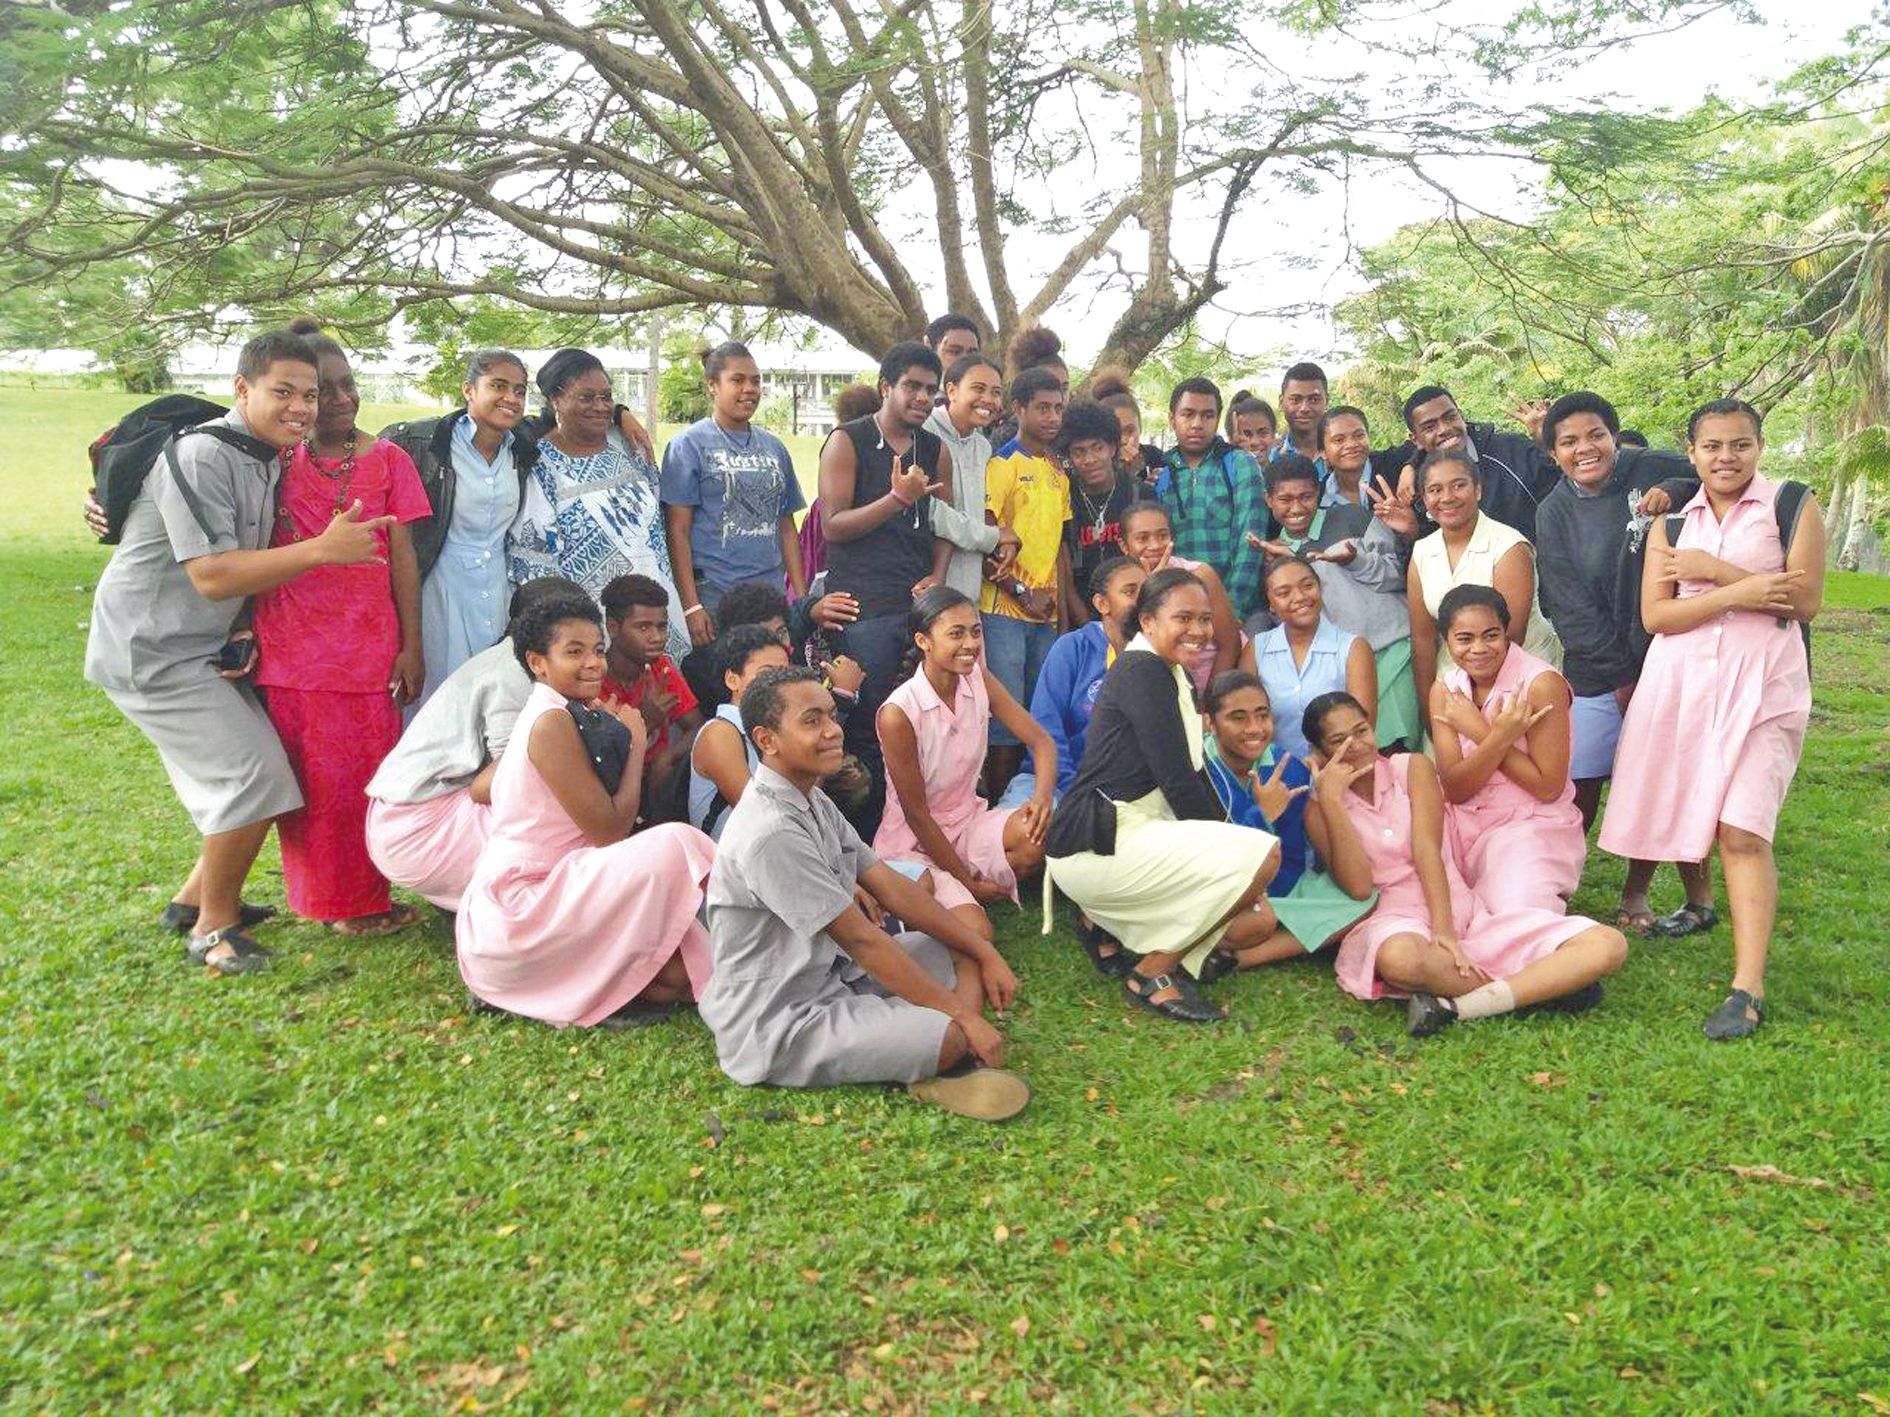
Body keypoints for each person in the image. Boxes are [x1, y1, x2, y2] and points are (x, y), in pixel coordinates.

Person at [84, 327, 395, 974]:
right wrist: (323, 550)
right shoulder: (203, 455)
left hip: (198, 649)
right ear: (242, 388)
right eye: (284, 392)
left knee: (267, 769)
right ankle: (212, 928)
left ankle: (190, 900)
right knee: (251, 776)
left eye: (309, 395)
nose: (302, 408)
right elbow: (212, 575)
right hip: (150, 650)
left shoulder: (265, 452)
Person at [700, 666, 1029, 1120]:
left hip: (837, 976)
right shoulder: (769, 831)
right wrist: (966, 1017)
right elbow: (861, 939)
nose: (834, 730)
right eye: (812, 721)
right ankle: (948, 1045)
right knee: (950, 1033)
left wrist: (984, 953)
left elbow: (890, 885)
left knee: (965, 945)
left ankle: (943, 1043)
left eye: (831, 716)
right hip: (785, 1019)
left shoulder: (812, 798)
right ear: (766, 739)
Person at [1600, 399, 1824, 1040]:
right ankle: (1699, 911)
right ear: (1692, 451)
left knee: (1743, 831)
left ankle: (1746, 988)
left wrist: (1714, 575)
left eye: (1740, 444)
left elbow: (1802, 600)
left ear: (1759, 446)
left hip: (1765, 690)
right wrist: (1748, 589)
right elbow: (1656, 617)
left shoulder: (1793, 504)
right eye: (1713, 446)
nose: (1726, 458)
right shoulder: (1672, 515)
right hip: (1683, 687)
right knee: (1689, 813)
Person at [457, 587, 716, 1027]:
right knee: (679, 842)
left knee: (679, 978)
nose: (594, 662)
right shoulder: (550, 720)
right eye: (574, 652)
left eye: (597, 650)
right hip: (520, 911)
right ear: (538, 663)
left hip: (557, 897)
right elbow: (610, 833)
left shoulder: (571, 709)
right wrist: (637, 744)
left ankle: (566, 985)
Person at [1305, 693, 1628, 1037]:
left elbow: (1427, 849)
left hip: (1460, 909)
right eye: (1339, 740)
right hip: (1395, 920)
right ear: (1320, 753)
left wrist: (1445, 931)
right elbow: (1358, 887)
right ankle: (1548, 988)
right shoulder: (1318, 811)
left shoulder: (1411, 767)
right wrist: (1332, 802)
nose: (1356, 745)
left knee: (1608, 944)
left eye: (1361, 731)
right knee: (1400, 959)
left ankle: (1459, 1006)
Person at [250, 321, 429, 935]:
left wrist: (412, 644)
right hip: (292, 648)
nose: (342, 400)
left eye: (349, 385)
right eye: (325, 389)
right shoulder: (270, 457)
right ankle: (331, 904)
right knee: (310, 785)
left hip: (369, 650)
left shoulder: (389, 459)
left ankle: (359, 897)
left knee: (361, 781)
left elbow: (403, 555)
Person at [1043, 569, 1283, 1023]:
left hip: (1130, 832)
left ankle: (1102, 923)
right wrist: (1239, 859)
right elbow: (1179, 782)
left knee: (1257, 921)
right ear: (1148, 622)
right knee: (1264, 857)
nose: (1199, 631)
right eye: (1184, 618)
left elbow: (1194, 774)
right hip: (1097, 841)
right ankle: (1152, 973)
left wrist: (1232, 857)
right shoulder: (1143, 672)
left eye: (1205, 619)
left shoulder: (1171, 671)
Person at [1536, 390, 1713, 936]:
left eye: (1595, 435)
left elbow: (1710, 475)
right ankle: (1551, 885)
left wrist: (1675, 489)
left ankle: (1660, 893)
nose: (1585, 448)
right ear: (1554, 454)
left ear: (1615, 436)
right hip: (1597, 668)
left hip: (1670, 654)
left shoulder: (1648, 466)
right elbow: (1567, 605)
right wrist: (1622, 677)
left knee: (1666, 777)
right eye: (1569, 442)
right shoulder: (1554, 512)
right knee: (1579, 782)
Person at [365, 576, 583, 911]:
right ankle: (510, 909)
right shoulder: (513, 675)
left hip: (416, 818)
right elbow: (513, 782)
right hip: (416, 830)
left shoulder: (516, 661)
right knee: (560, 813)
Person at [817, 341, 954, 830]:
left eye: (929, 390)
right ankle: (859, 839)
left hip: (918, 607)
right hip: (863, 609)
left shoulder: (934, 449)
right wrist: (897, 497)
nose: (921, 397)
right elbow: (832, 525)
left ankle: (909, 833)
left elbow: (944, 524)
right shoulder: (847, 440)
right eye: (911, 387)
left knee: (918, 723)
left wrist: (938, 575)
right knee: (864, 725)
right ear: (886, 388)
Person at [875, 587, 1055, 935]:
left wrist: (1042, 802)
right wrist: (966, 885)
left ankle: (954, 891)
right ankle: (938, 893)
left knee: (1035, 835)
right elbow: (916, 815)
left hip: (968, 822)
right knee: (979, 934)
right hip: (913, 842)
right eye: (956, 634)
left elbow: (1041, 741)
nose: (971, 644)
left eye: (976, 631)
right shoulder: (899, 713)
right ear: (924, 641)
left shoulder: (976, 678)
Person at [379, 348, 537, 707]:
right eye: (498, 386)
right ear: (469, 390)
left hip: (497, 590)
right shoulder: (423, 443)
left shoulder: (522, 447)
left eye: (520, 390)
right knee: (438, 698)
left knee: (491, 697)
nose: (511, 398)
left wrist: (621, 414)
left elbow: (567, 411)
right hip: (439, 587)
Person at [508, 348, 687, 659]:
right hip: (591, 627)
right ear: (555, 399)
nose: (601, 407)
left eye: (606, 398)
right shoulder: (541, 465)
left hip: (659, 617)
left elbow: (658, 526)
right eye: (587, 397)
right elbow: (534, 559)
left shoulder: (631, 449)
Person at [1200, 672, 1375, 971]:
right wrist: (1263, 814)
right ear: (1210, 723)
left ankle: (1236, 959)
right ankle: (1227, 939)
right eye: (1238, 718)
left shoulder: (1288, 767)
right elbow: (1206, 858)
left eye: (1262, 715)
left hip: (1276, 893)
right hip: (1214, 891)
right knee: (1250, 919)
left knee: (1365, 902)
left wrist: (1326, 797)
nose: (1254, 729)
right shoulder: (1194, 767)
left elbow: (1298, 861)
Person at [1429, 586, 1586, 915]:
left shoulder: (1541, 684)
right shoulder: (1445, 690)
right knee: (1431, 911)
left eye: (1491, 635)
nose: (1479, 649)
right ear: (1446, 640)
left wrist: (1480, 731)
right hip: (1462, 823)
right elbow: (1455, 789)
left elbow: (1547, 787)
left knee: (1519, 917)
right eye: (1464, 639)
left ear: (1507, 633)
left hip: (1530, 822)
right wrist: (1501, 736)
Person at [1254, 447, 1419, 750]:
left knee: (1398, 755)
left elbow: (1398, 575)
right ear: (1268, 500)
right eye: (1285, 499)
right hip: (1342, 668)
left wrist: (1354, 560)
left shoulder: (1352, 518)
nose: (1296, 507)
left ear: (1318, 492)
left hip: (1391, 652)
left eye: (1305, 496)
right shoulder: (1274, 550)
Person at [1399, 446, 1560, 722]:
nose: (1447, 498)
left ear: (1478, 490)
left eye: (1458, 485)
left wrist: (1476, 714)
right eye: (1435, 490)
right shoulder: (1423, 551)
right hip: (1452, 683)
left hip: (1519, 679)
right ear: (1424, 499)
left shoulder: (1508, 546)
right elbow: (1423, 638)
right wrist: (1429, 709)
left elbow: (1511, 636)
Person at [660, 341, 807, 643]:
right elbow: (677, 531)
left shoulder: (774, 448)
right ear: (712, 385)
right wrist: (691, 605)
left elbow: (786, 528)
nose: (750, 389)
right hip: (715, 594)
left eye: (756, 381)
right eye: (737, 380)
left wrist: (802, 599)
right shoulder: (688, 445)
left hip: (769, 596)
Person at [981, 366, 1071, 795]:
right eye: (1042, 408)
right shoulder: (1003, 465)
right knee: (1006, 715)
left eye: (1057, 408)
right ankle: (997, 810)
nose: (1052, 417)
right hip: (1003, 610)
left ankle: (1032, 801)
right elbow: (984, 536)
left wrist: (1063, 610)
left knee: (1040, 711)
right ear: (1018, 409)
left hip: (1046, 613)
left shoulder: (1057, 470)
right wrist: (1019, 591)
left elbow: (1060, 547)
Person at [1153, 376, 1269, 621]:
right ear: (1172, 419)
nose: (1197, 423)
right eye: (1188, 414)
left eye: (1207, 415)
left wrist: (1231, 610)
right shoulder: (1161, 475)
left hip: (1237, 609)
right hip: (1177, 612)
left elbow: (1251, 541)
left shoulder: (1240, 464)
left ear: (1218, 419)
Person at [1030, 556, 1145, 797]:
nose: (1142, 601)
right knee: (1029, 829)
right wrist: (1076, 792)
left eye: (1147, 592)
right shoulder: (1072, 648)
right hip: (1053, 781)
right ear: (1102, 603)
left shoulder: (1156, 655)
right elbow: (1045, 726)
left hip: (1127, 791)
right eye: (1130, 592)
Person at [1396, 385, 1561, 542]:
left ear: (1461, 416)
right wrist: (1412, 532)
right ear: (1415, 439)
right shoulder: (1418, 486)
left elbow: (1563, 493)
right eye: (1430, 427)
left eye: (1450, 417)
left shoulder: (1512, 450)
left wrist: (1551, 445)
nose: (1444, 429)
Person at [1251, 553, 1377, 760]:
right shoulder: (1257, 648)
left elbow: (1362, 730)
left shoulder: (1353, 648)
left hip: (1342, 774)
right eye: (1284, 593)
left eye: (1307, 586)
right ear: (1270, 604)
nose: (1300, 597)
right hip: (1274, 778)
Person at [676, 579, 863, 715]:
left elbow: (800, 614)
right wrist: (842, 695)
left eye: (781, 632)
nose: (779, 646)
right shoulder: (733, 707)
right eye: (764, 637)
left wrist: (812, 609)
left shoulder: (789, 642)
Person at [923, 351, 1017, 601]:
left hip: (969, 592)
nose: (988, 400)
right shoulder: (924, 432)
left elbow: (977, 512)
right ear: (951, 390)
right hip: (926, 585)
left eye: (996, 393)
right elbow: (929, 510)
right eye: (978, 388)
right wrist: (993, 537)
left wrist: (1001, 541)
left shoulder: (982, 446)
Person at [1117, 500, 1240, 690]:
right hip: (1159, 689)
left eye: (1162, 535)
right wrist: (1151, 585)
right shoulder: (1122, 585)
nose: (1155, 545)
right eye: (1143, 538)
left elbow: (1229, 643)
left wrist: (1209, 701)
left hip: (1208, 686)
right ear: (1124, 545)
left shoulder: (1200, 575)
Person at [687, 624, 792, 840]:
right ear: (732, 679)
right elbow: (760, 815)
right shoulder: (720, 732)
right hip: (732, 866)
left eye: (785, 674)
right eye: (767, 674)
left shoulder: (774, 728)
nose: (779, 684)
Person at [599, 573, 702, 790]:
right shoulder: (593, 679)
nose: (657, 637)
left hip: (656, 784)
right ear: (613, 628)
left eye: (661, 626)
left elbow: (697, 726)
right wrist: (645, 723)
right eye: (643, 627)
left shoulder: (659, 667)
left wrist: (666, 758)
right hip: (611, 789)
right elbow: (600, 760)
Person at [1057, 399, 1139, 627]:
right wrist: (1084, 622)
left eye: (1097, 448)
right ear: (1069, 456)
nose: (1090, 459)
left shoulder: (1138, 493)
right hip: (1080, 616)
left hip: (1133, 612)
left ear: (1112, 448)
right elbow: (1063, 568)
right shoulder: (1063, 496)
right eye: (1079, 452)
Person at [1090, 367, 1167, 489]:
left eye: (1130, 430)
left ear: (1140, 427)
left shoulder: (1155, 458)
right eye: (1115, 431)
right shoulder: (1092, 468)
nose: (1123, 440)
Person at [1273, 362, 1331, 466]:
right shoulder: (1269, 459)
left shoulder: (1342, 455)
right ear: (1281, 402)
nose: (1304, 408)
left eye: (1314, 400)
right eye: (1295, 400)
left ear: (1326, 401)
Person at [1226, 390, 1278, 464]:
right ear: (1231, 440)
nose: (1255, 442)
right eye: (1246, 435)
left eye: (1263, 433)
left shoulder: (1286, 473)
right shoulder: (1219, 474)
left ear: (1273, 435)